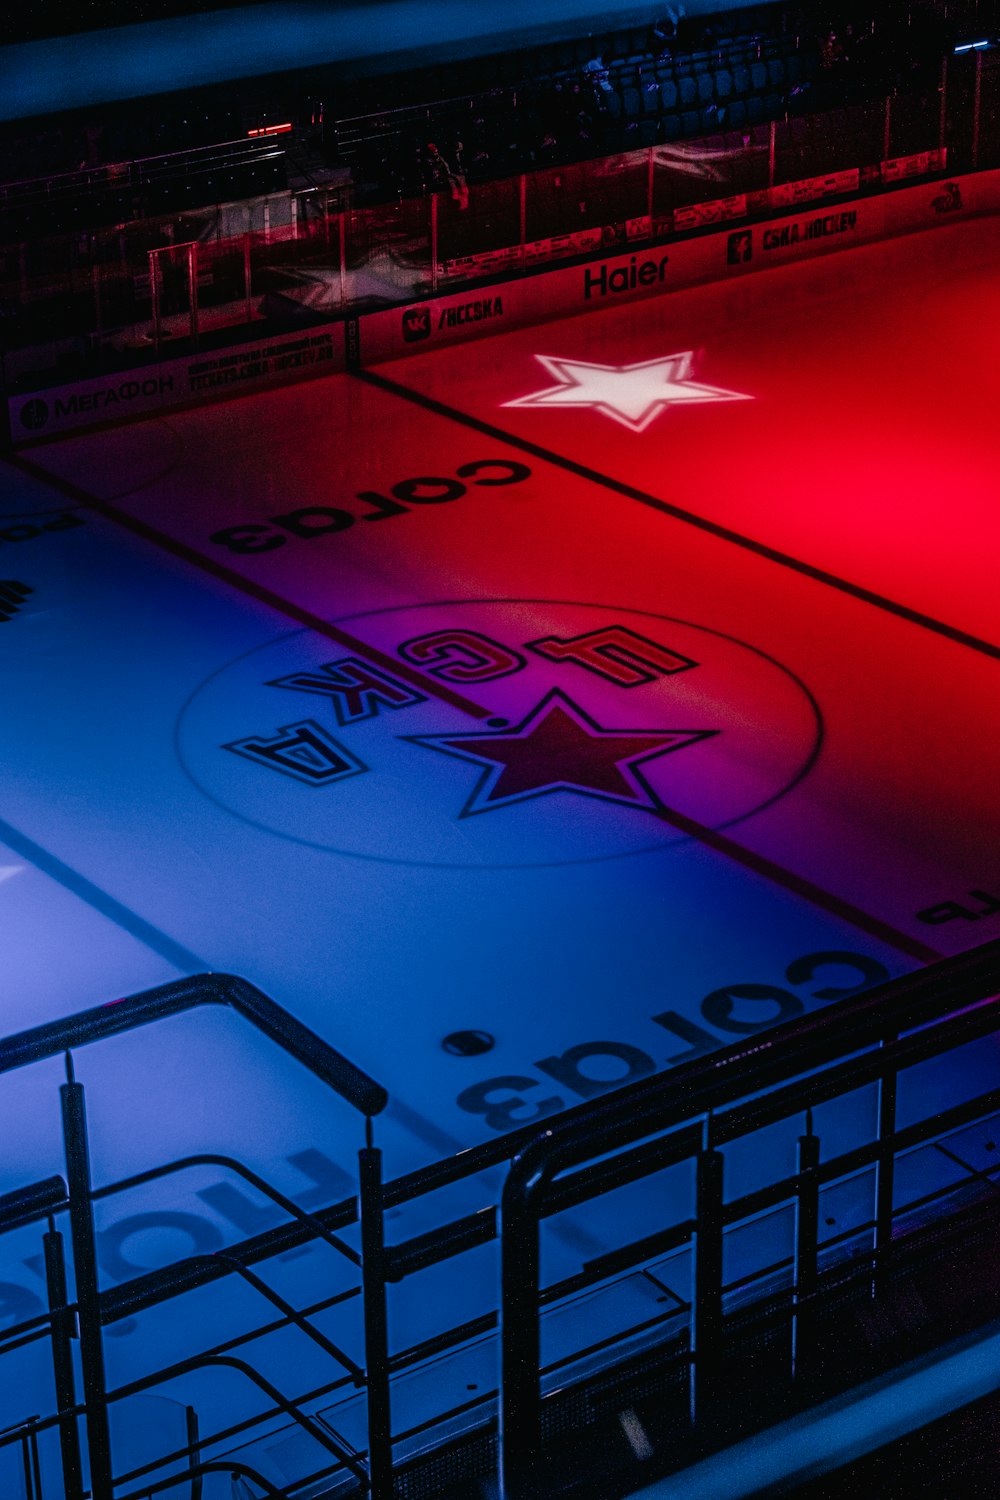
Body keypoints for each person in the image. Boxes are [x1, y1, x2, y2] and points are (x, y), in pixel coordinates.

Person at [425, 141, 468, 208]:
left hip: (448, 175)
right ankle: (459, 197)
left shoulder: (439, 156)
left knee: (459, 179)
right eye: (433, 149)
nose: (435, 150)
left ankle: (462, 198)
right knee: (453, 182)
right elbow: (436, 170)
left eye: (435, 148)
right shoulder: (430, 160)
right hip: (441, 177)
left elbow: (445, 167)